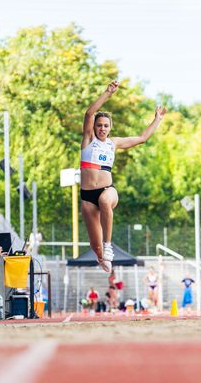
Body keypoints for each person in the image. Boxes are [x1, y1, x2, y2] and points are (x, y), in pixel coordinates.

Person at [80, 80, 166, 273]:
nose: (102, 128)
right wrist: (107, 93)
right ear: (94, 127)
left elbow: (142, 138)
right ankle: (102, 254)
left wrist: (157, 119)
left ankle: (108, 244)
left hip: (107, 190)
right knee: (95, 246)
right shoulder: (88, 140)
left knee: (104, 200)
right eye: (99, 125)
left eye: (106, 126)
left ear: (110, 128)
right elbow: (89, 113)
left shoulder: (114, 143)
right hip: (87, 196)